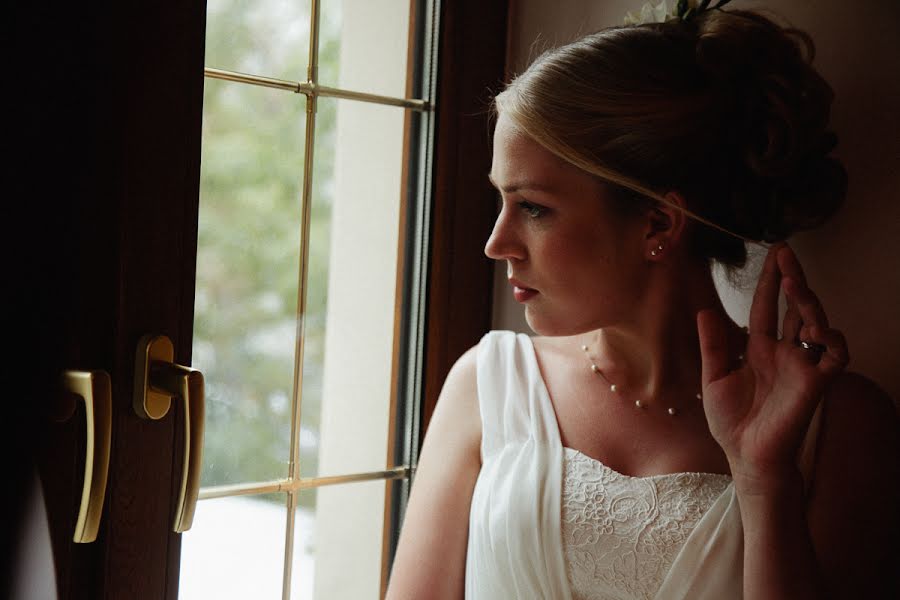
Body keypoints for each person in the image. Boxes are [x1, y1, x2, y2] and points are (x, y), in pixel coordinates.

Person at [386, 2, 900, 598]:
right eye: (503, 200)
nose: (496, 244)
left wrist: (764, 480)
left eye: (533, 207)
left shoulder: (841, 425)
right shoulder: (486, 383)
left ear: (658, 223)